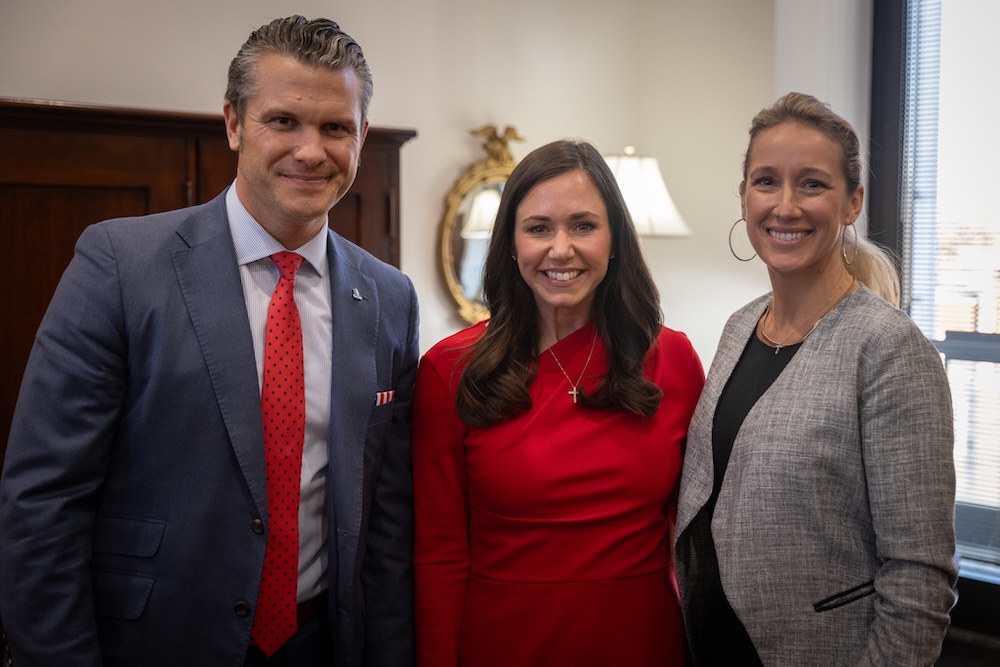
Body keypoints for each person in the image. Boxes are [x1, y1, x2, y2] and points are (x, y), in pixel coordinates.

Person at [0, 16, 418, 667]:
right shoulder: (120, 265)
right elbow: (42, 503)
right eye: (283, 121)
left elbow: (387, 527)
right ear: (233, 123)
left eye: (336, 127)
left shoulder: (390, 297)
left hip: (321, 643)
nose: (311, 151)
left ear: (362, 137)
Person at [674, 92, 957, 666]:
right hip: (716, 645)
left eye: (812, 184)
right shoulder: (739, 327)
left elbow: (920, 575)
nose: (785, 206)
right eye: (766, 181)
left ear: (852, 203)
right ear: (744, 197)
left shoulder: (890, 350)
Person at [412, 139, 705, 666]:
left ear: (615, 240)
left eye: (584, 226)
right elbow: (439, 554)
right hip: (504, 646)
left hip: (644, 644)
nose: (561, 249)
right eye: (539, 228)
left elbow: (701, 538)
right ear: (511, 243)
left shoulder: (674, 360)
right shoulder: (449, 370)